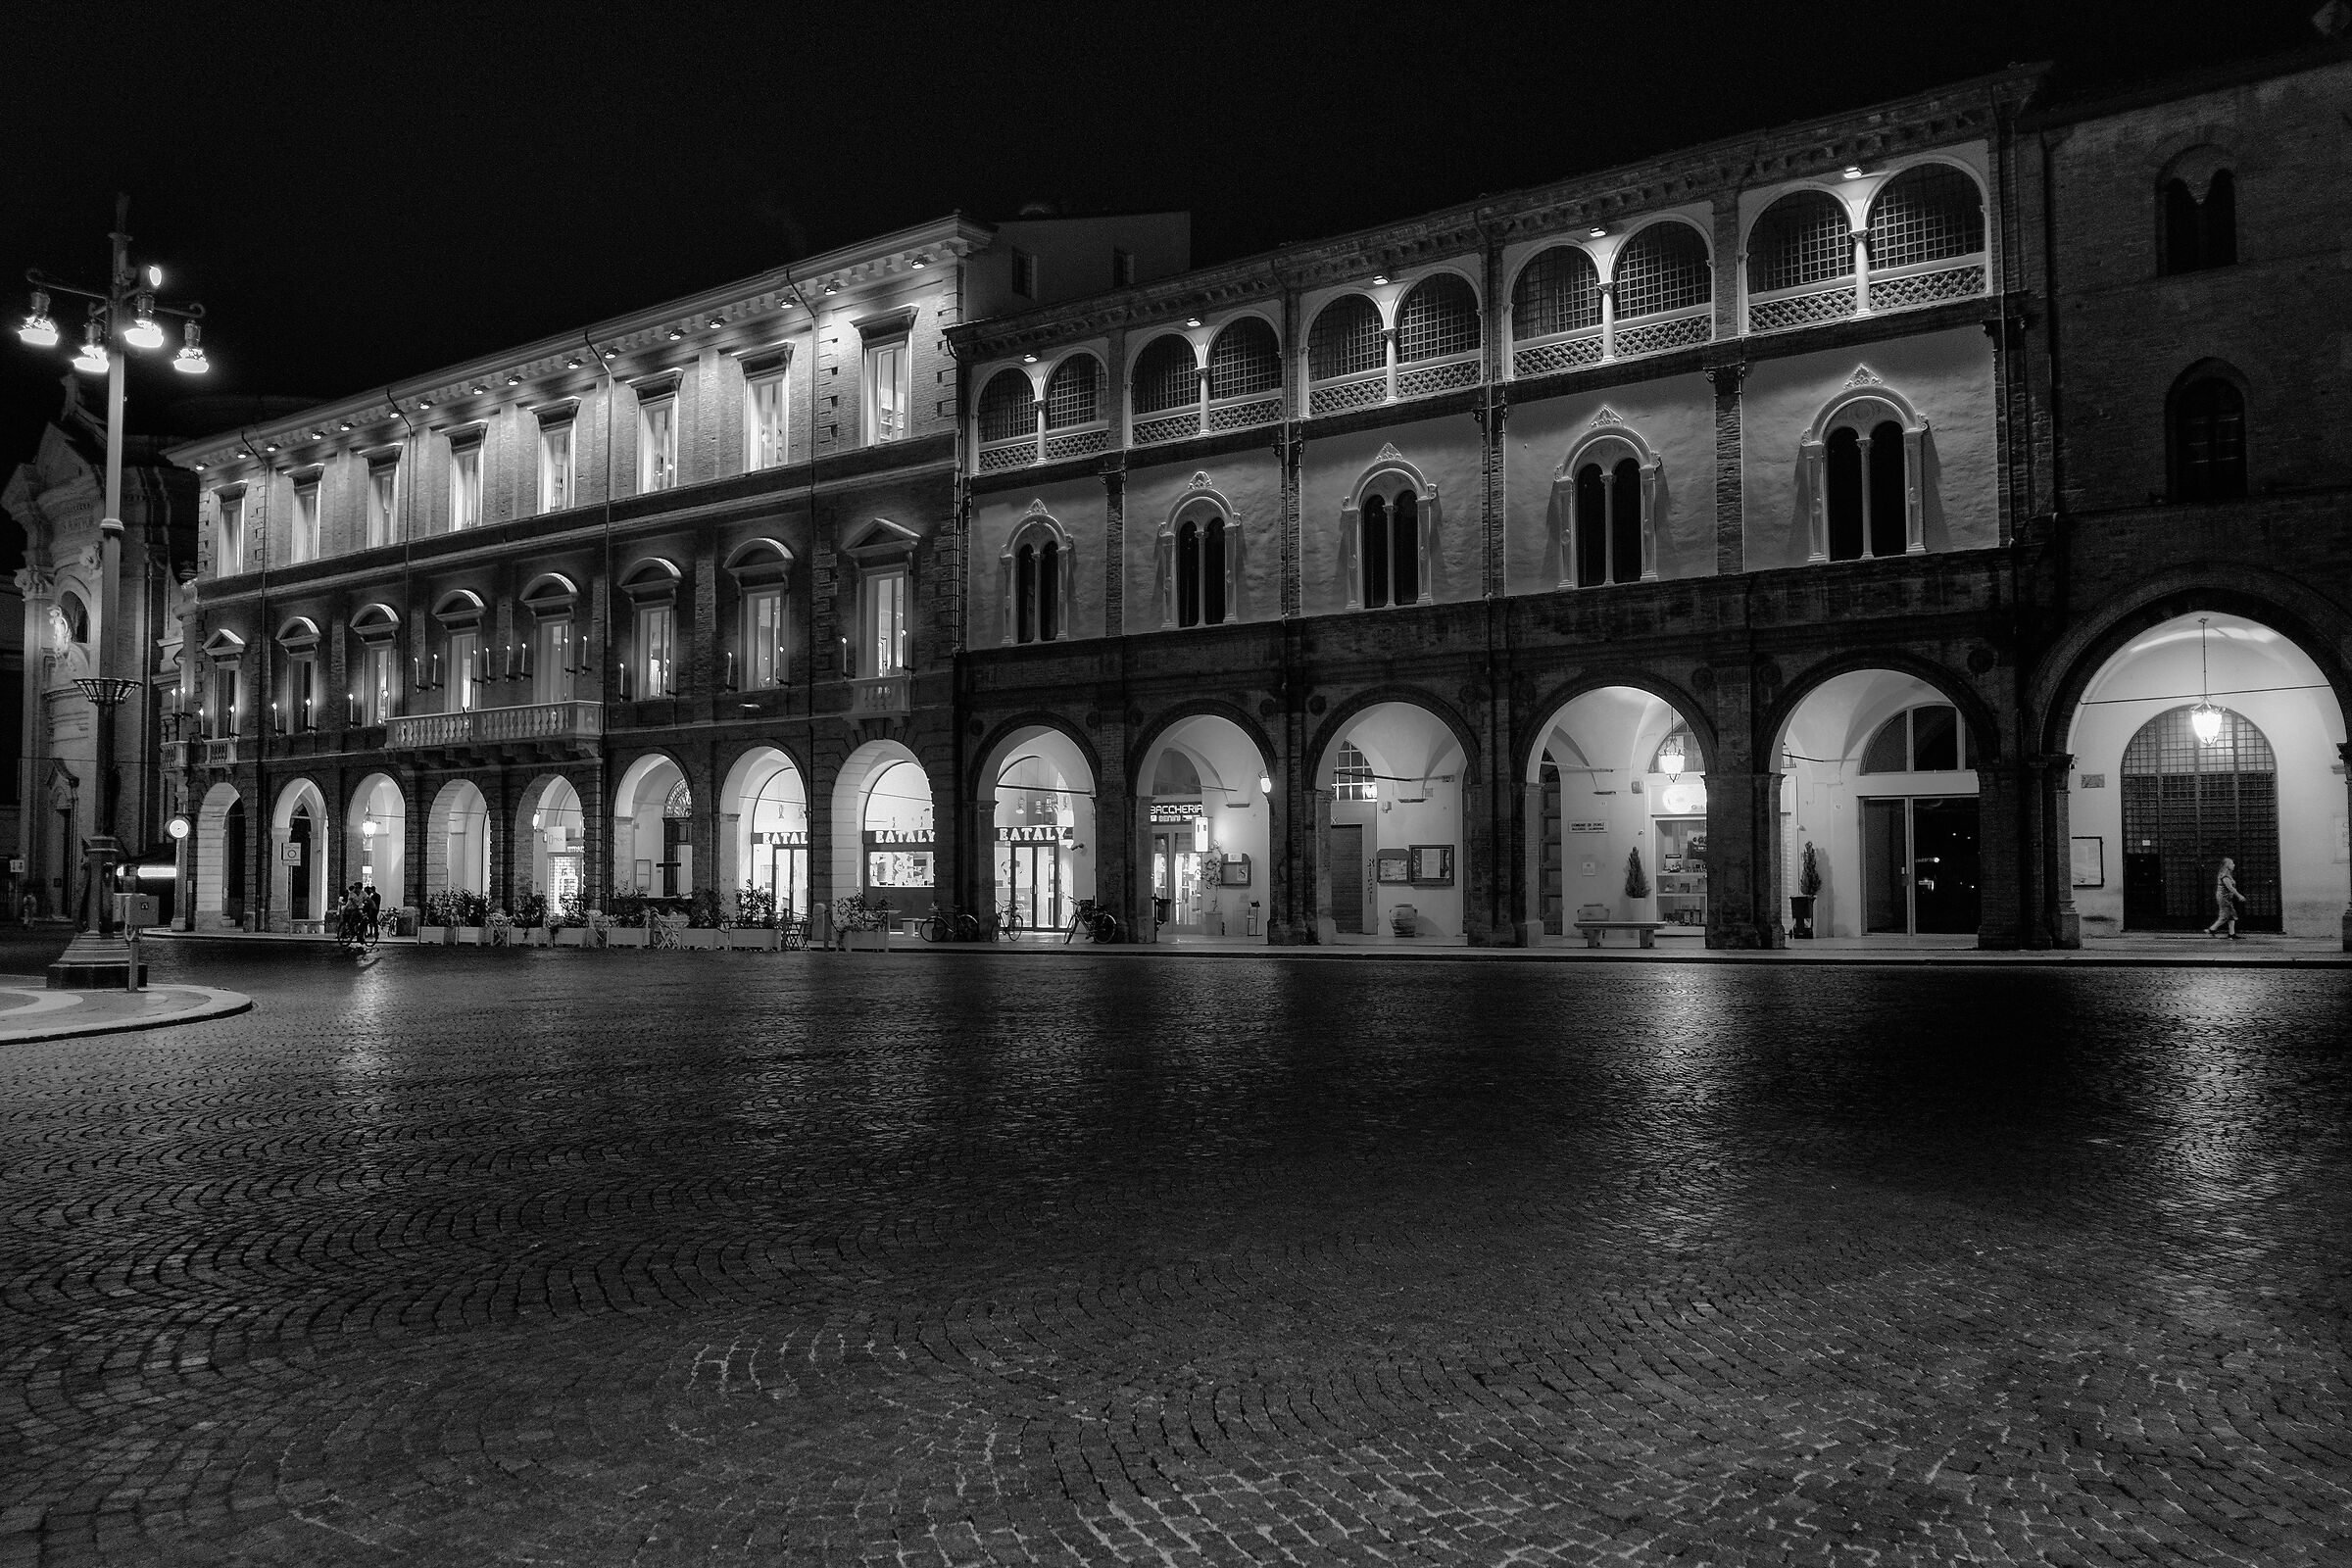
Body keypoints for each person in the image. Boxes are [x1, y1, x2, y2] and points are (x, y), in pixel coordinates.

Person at [2205, 857, 2244, 938]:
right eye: (2232, 863)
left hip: (2226, 897)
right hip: (2224, 897)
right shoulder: (2225, 875)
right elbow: (2230, 887)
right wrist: (2239, 895)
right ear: (2227, 865)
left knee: (2231, 914)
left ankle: (2231, 933)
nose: (2234, 865)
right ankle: (2212, 929)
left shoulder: (2227, 874)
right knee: (2225, 915)